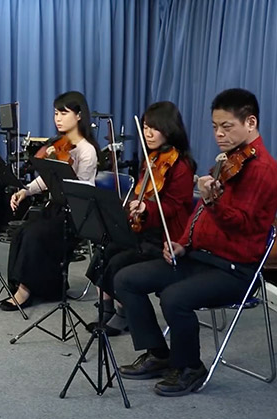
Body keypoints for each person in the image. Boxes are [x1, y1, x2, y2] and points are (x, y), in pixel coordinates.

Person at [115, 88, 277, 397]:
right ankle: (159, 354)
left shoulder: (264, 171)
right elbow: (200, 214)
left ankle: (190, 367)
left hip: (235, 270)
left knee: (174, 298)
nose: (218, 134)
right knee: (126, 279)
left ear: (251, 123)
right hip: (201, 258)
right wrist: (182, 243)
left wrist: (213, 202)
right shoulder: (228, 162)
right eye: (214, 126)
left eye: (226, 126)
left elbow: (242, 226)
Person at [84, 101, 196, 335]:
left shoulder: (182, 166)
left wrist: (147, 209)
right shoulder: (151, 159)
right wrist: (132, 207)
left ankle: (123, 314)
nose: (148, 133)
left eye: (154, 128)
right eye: (145, 127)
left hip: (166, 237)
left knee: (119, 262)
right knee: (105, 251)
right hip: (144, 228)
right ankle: (106, 310)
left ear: (169, 129)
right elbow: (142, 193)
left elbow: (173, 207)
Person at [2, 91, 99, 311]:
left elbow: (83, 190)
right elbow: (46, 179)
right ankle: (31, 286)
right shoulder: (59, 144)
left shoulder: (87, 151)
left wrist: (63, 169)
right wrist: (25, 191)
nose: (58, 118)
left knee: (35, 235)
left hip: (75, 213)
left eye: (64, 113)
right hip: (55, 207)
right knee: (21, 232)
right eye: (56, 113)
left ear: (79, 116)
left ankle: (25, 291)